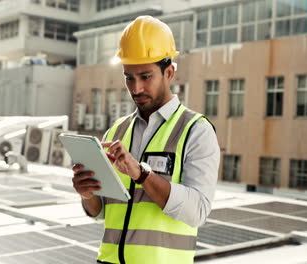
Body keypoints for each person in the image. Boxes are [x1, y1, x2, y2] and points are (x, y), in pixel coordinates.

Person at [72, 15, 220, 264]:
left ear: (169, 72)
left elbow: (198, 212)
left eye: (145, 76)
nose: (136, 88)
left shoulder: (196, 131)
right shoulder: (116, 131)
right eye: (129, 77)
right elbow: (100, 212)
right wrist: (86, 193)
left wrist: (142, 175)